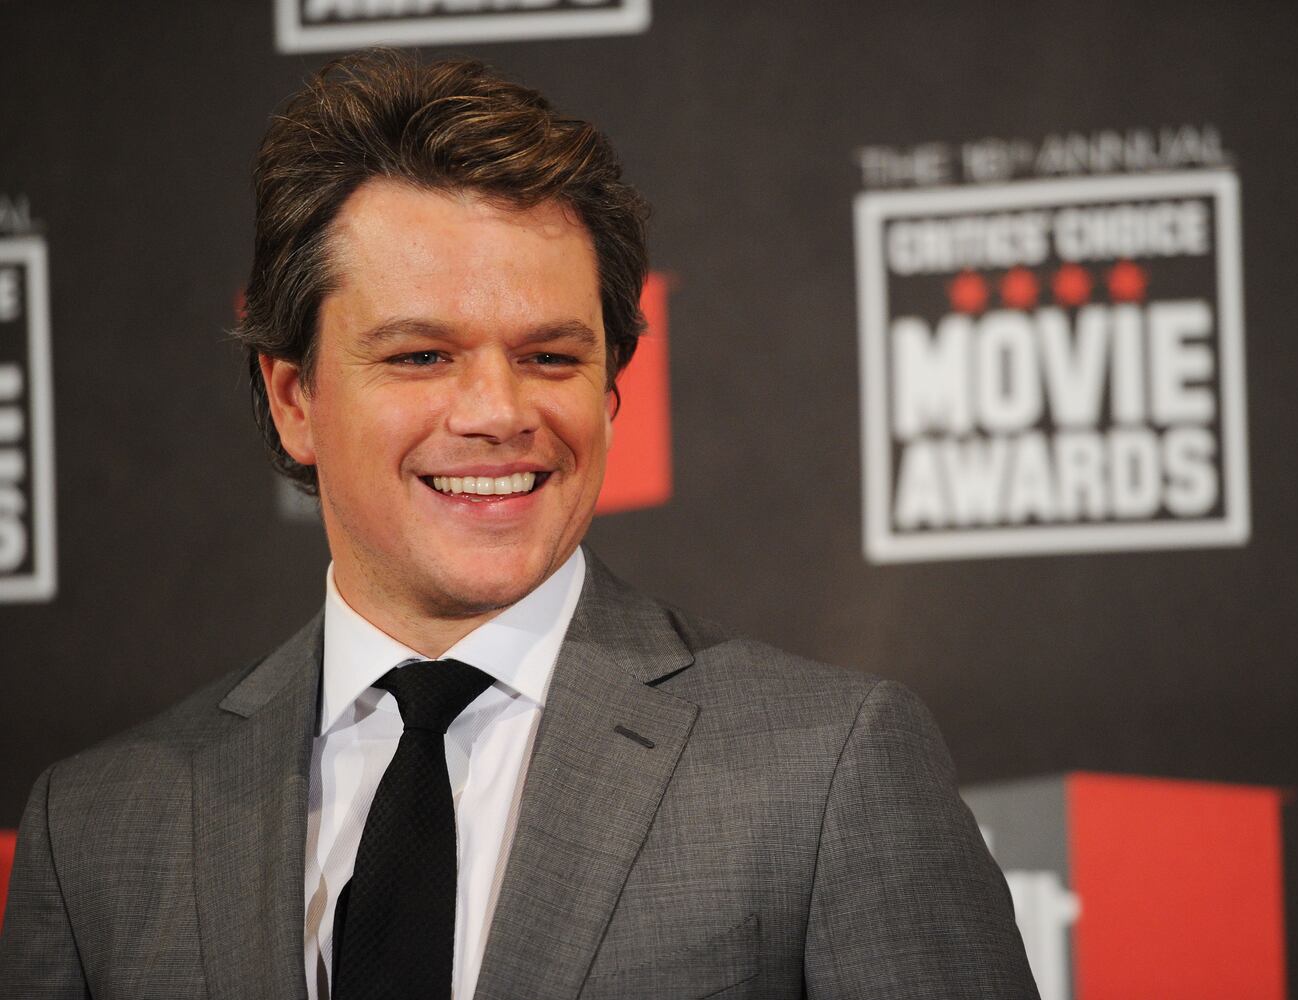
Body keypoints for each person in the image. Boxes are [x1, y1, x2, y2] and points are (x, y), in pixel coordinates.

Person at [0, 51, 1038, 999]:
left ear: (610, 388)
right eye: (421, 356)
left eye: (550, 356)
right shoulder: (98, 834)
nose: (499, 412)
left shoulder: (826, 769)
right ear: (292, 398)